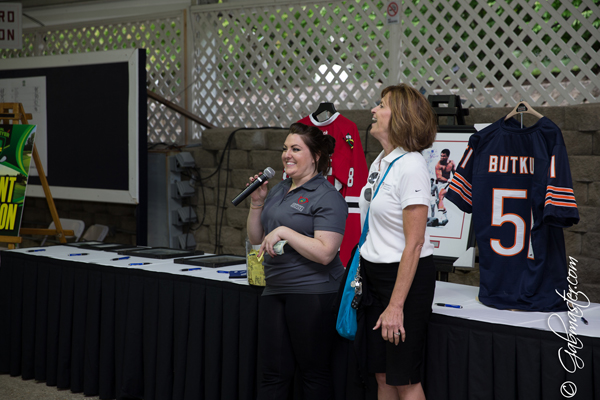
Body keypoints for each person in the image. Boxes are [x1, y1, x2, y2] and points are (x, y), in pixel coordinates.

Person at [246, 122, 348, 400]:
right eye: (285, 149)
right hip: (275, 288)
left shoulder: (328, 196)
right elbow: (257, 238)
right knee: (273, 373)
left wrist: (285, 232)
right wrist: (257, 203)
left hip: (313, 292)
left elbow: (326, 252)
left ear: (315, 156)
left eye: (295, 149)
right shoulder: (279, 189)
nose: (287, 155)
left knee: (312, 373)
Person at [358, 84, 437, 400]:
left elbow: (415, 242)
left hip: (404, 280)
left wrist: (395, 305)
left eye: (381, 105)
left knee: (403, 378)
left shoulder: (412, 165)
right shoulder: (381, 160)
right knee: (381, 374)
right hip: (374, 277)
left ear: (401, 117)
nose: (373, 111)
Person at [434, 149, 455, 223]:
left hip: (447, 184)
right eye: (441, 156)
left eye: (444, 156)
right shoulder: (438, 165)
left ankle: (440, 218)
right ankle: (445, 217)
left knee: (441, 196)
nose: (442, 157)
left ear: (448, 156)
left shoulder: (451, 163)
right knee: (438, 201)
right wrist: (448, 180)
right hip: (440, 183)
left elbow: (455, 173)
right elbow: (439, 177)